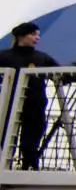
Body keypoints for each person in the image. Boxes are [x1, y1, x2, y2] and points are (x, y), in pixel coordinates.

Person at [2, 24, 60, 170]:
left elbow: (60, 74)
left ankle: (28, 171)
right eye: (33, 34)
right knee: (6, 142)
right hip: (8, 105)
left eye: (38, 35)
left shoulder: (41, 58)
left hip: (35, 106)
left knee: (31, 145)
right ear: (21, 36)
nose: (37, 38)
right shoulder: (4, 57)